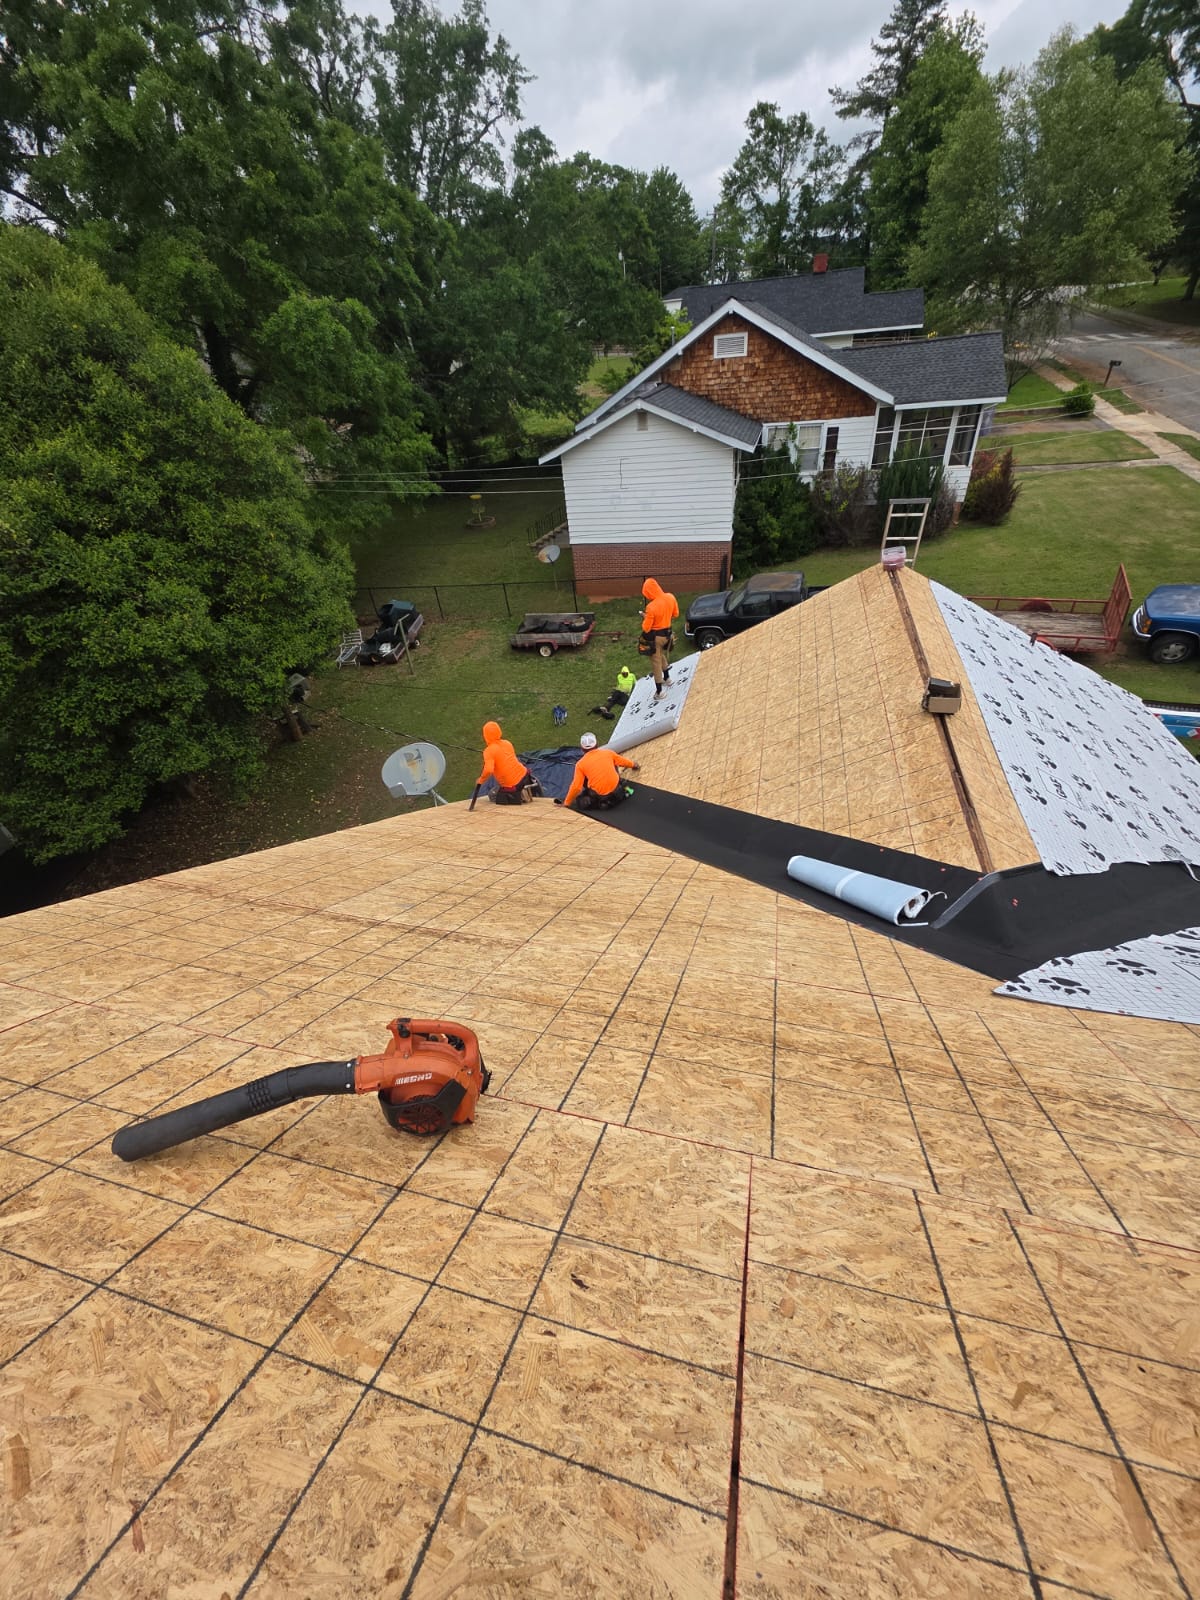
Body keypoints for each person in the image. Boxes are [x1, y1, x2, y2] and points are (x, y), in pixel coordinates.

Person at [556, 733, 639, 810]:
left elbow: (576, 787)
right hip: (618, 791)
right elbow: (622, 762)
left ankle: (598, 802)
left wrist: (566, 803)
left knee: (580, 797)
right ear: (596, 744)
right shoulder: (608, 753)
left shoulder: (580, 764)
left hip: (603, 799)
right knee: (613, 762)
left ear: (582, 749)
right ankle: (620, 787)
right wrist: (633, 765)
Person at [477, 720, 539, 805]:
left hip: (513, 785)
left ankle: (520, 795)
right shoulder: (507, 743)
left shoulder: (489, 751)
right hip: (525, 776)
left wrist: (481, 780)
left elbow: (488, 770)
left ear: (485, 735)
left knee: (492, 795)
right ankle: (522, 790)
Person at [639, 578, 679, 698]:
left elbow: (646, 628)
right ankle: (667, 678)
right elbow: (675, 614)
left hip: (656, 638)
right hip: (668, 634)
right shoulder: (670, 597)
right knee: (660, 655)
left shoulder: (651, 607)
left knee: (655, 662)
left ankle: (659, 691)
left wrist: (646, 617)